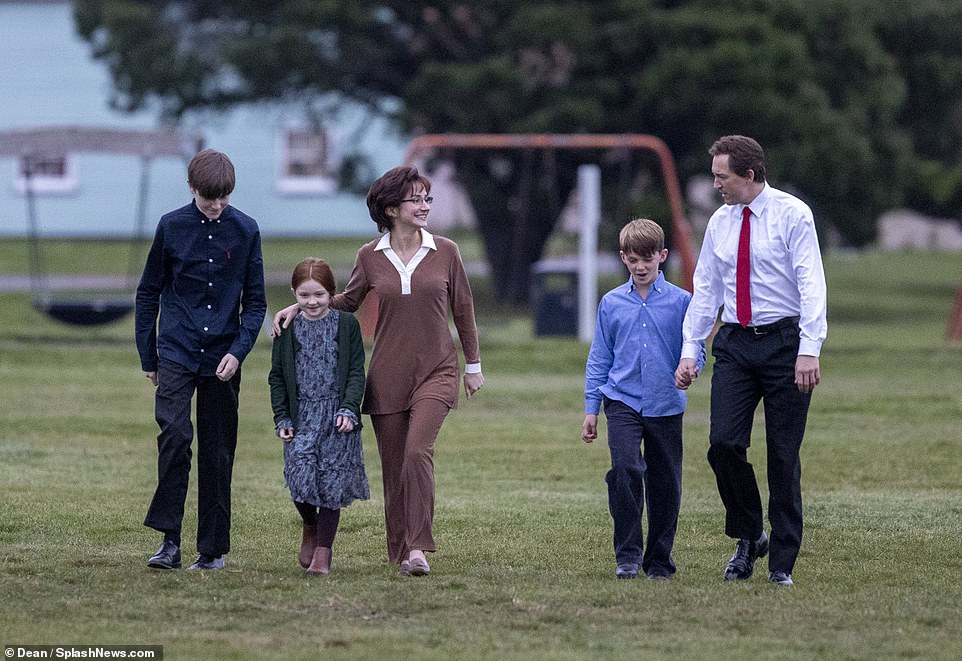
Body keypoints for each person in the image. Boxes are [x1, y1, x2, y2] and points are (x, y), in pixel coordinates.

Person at [273, 165, 484, 577]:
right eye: (416, 199)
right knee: (393, 467)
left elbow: (463, 310)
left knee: (417, 452)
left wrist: (472, 365)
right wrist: (300, 306)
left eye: (427, 199)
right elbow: (348, 300)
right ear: (390, 208)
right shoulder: (370, 256)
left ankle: (420, 547)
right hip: (386, 374)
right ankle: (401, 552)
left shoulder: (447, 251)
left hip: (437, 370)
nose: (424, 206)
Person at [675, 135, 827, 586]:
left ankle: (781, 563)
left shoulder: (793, 215)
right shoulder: (719, 223)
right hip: (736, 342)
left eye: (721, 176)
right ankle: (750, 535)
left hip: (785, 343)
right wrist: (691, 349)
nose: (715, 184)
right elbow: (706, 290)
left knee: (783, 455)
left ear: (749, 175)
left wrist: (809, 348)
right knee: (723, 444)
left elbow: (811, 283)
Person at [135, 148, 267, 571]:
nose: (217, 205)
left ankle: (211, 551)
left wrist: (238, 351)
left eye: (224, 198)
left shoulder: (246, 230)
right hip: (175, 350)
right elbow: (147, 292)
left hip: (223, 357)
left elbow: (257, 303)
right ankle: (168, 541)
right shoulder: (171, 227)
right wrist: (147, 355)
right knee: (174, 435)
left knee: (218, 450)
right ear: (192, 188)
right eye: (210, 198)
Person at [582, 218, 704, 580]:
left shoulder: (683, 302)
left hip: (666, 402)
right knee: (625, 469)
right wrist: (591, 408)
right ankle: (628, 554)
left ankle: (660, 561)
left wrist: (691, 367)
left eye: (647, 260)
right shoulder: (611, 303)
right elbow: (600, 356)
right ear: (623, 258)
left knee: (666, 482)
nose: (640, 267)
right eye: (633, 260)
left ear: (662, 256)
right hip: (621, 401)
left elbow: (694, 346)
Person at [268, 258, 369, 576]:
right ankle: (309, 524)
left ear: (332, 293)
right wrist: (283, 417)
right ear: (294, 295)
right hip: (302, 416)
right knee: (299, 477)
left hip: (337, 415)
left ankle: (323, 552)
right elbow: (277, 377)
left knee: (331, 482)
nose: (312, 302)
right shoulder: (286, 328)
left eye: (319, 295)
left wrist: (349, 409)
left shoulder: (347, 325)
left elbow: (355, 371)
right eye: (304, 296)